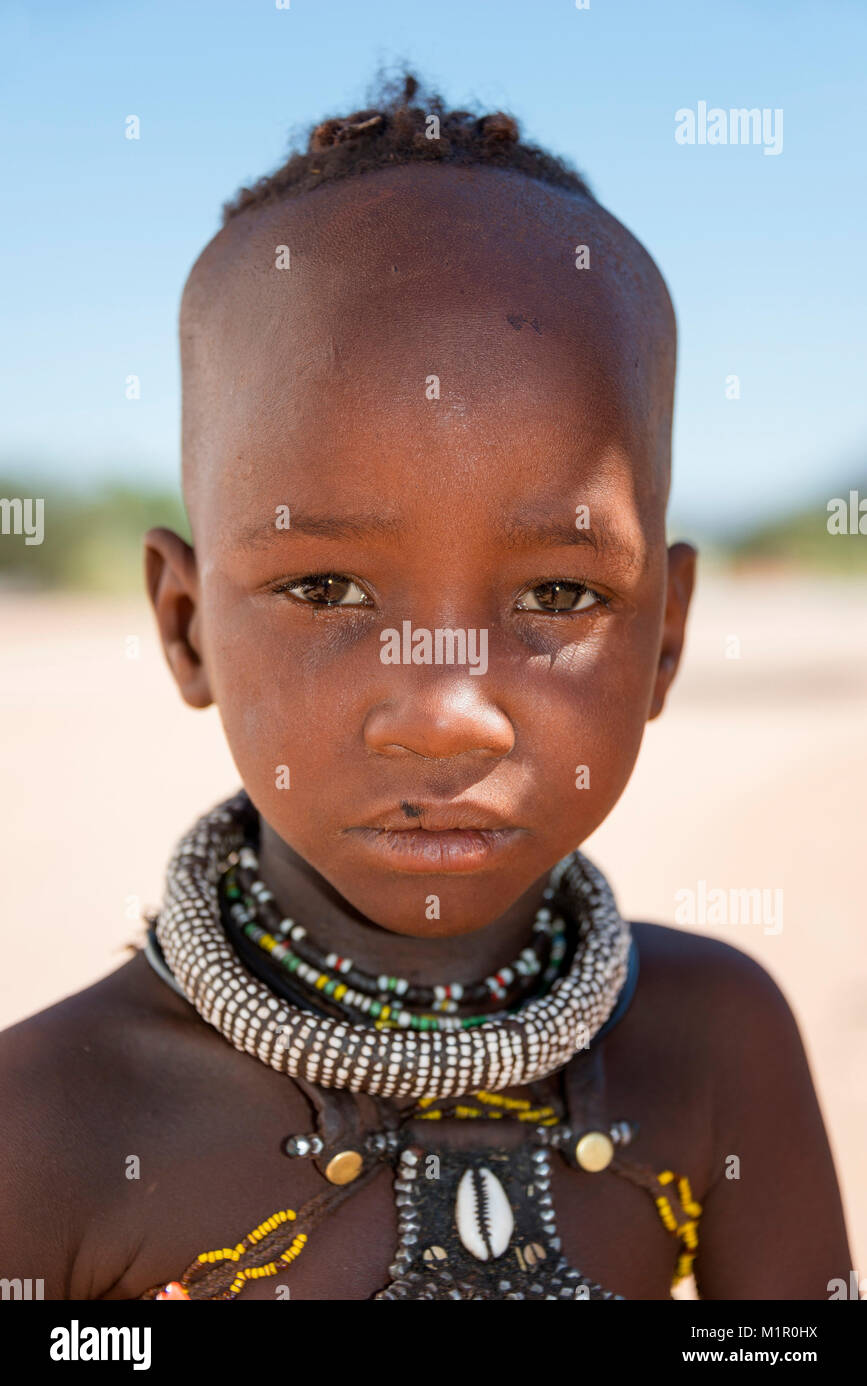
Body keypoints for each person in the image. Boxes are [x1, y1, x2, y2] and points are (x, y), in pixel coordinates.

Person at [0, 70, 852, 1301]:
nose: (446, 710)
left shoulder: (717, 1044)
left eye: (559, 597)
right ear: (185, 628)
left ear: (664, 642)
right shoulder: (52, 1128)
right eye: (329, 589)